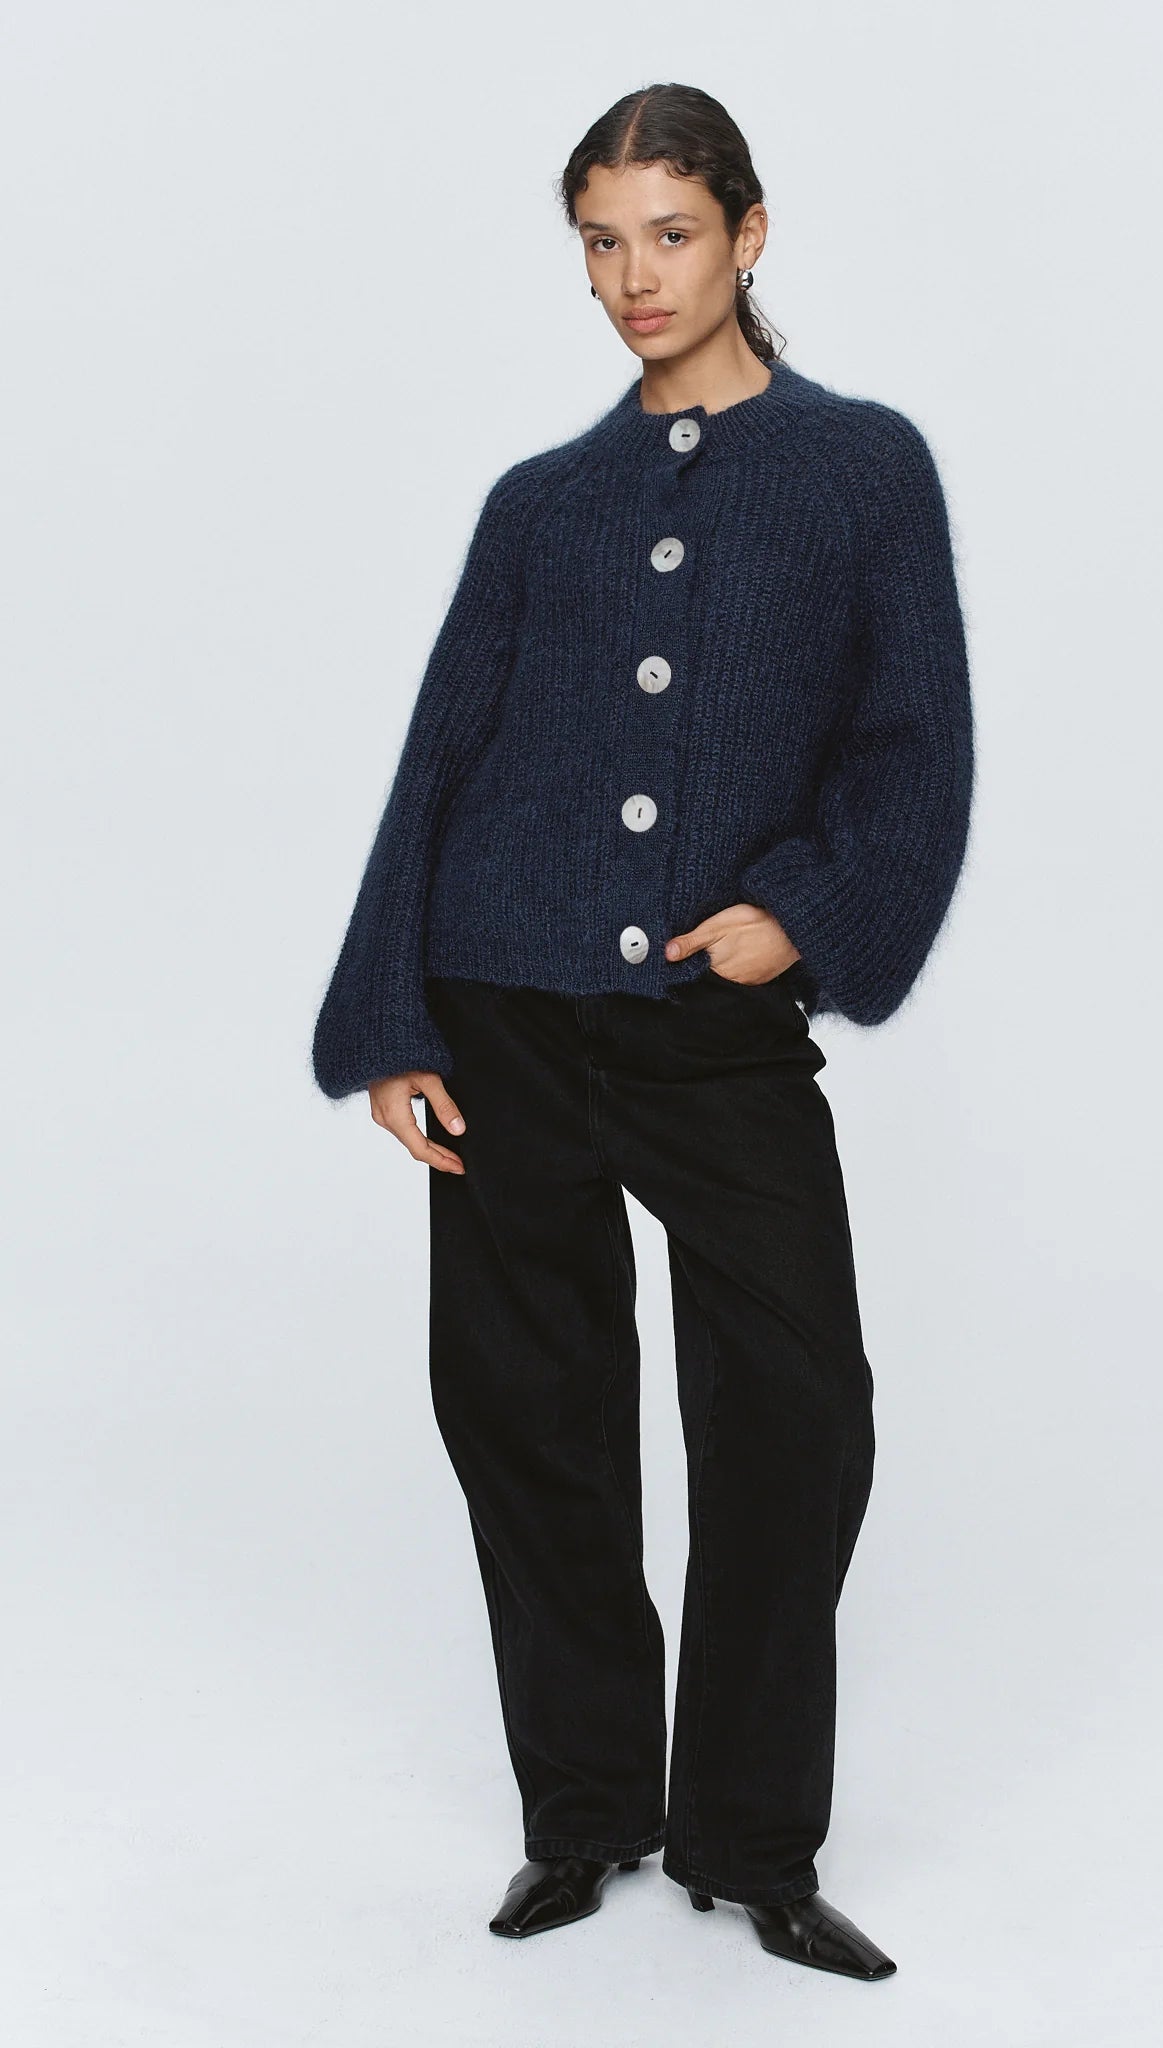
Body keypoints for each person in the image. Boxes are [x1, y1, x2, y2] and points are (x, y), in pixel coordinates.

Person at [310, 81, 975, 1984]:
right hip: (505, 1008)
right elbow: (442, 755)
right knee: (529, 1419)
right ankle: (586, 1811)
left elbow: (913, 746)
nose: (632, 278)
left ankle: (750, 1841)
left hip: (707, 1022)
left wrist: (807, 914)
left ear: (747, 235)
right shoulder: (542, 503)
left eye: (668, 234)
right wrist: (394, 1016)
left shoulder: (859, 469)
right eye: (599, 242)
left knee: (797, 1417)